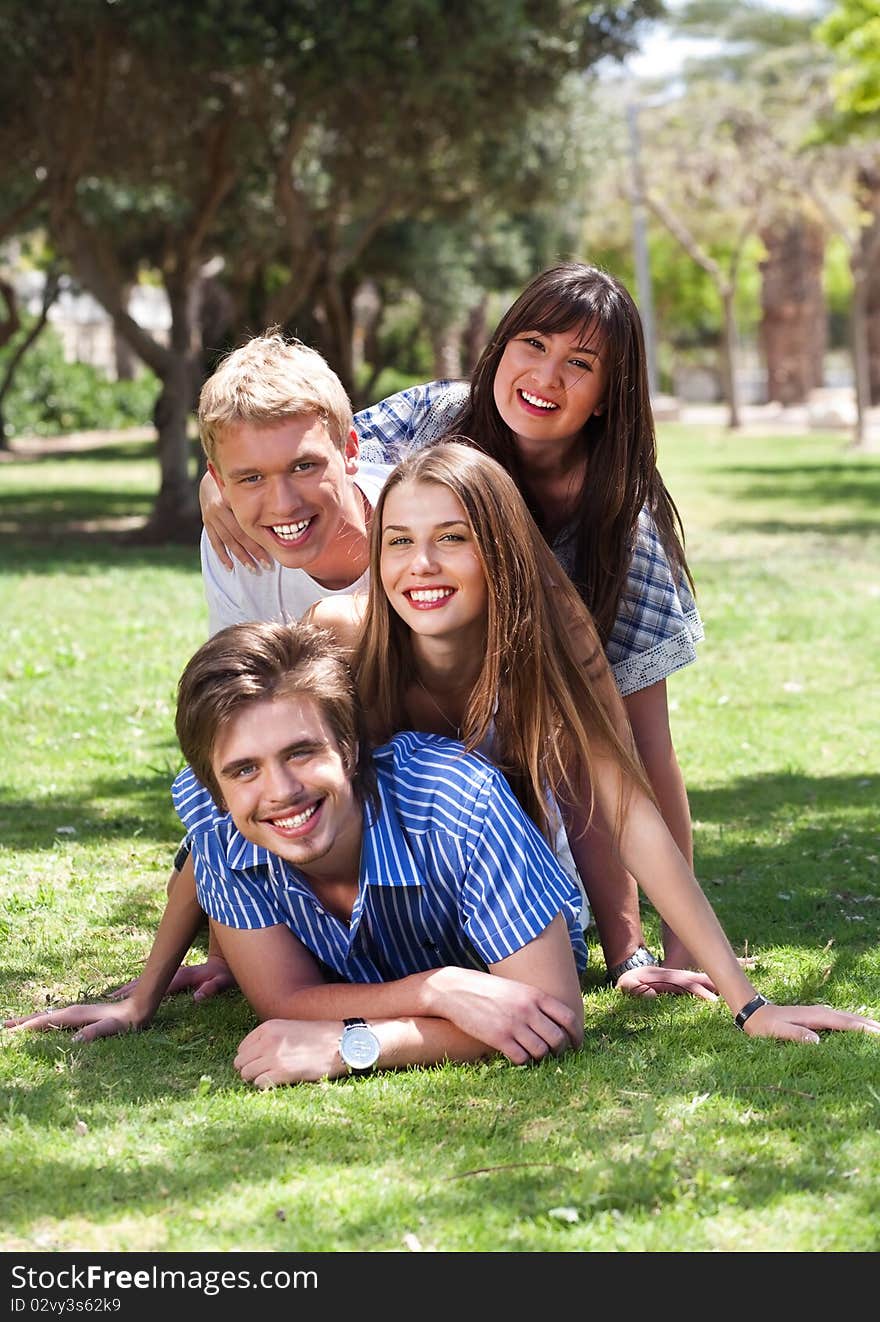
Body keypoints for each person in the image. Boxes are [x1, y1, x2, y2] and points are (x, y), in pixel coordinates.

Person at [201, 264, 705, 982]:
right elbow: (292, 441)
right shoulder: (438, 418)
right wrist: (215, 484)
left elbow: (636, 761)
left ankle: (592, 931)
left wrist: (648, 952)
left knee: (574, 744)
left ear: (608, 396)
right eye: (531, 344)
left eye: (580, 364)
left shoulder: (622, 537)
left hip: (518, 739)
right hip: (413, 761)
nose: (546, 376)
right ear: (499, 348)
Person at [7, 620, 588, 1081]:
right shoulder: (220, 825)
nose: (281, 792)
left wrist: (356, 1045)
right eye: (243, 770)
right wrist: (435, 988)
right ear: (217, 787)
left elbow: (551, 1013)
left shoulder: (456, 802)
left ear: (351, 750)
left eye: (302, 752)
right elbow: (286, 998)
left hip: (527, 931)